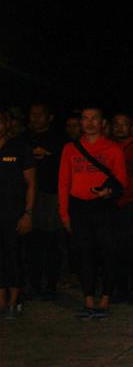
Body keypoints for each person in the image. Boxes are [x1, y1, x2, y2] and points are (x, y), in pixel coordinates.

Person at [58, 107, 127, 319]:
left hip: (103, 208)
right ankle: (88, 300)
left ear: (102, 122)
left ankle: (104, 299)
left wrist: (108, 192)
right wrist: (65, 214)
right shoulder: (70, 148)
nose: (89, 123)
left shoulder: (113, 149)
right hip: (79, 207)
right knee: (84, 255)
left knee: (107, 254)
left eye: (94, 118)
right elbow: (63, 183)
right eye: (85, 119)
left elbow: (122, 182)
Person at [26, 103, 66, 300]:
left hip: (51, 196)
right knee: (32, 242)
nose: (35, 118)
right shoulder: (23, 139)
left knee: (50, 242)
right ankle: (33, 284)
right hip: (28, 196)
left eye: (39, 114)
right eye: (32, 114)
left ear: (49, 117)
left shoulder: (59, 140)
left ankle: (50, 284)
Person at [0, 110, 36, 319]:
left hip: (13, 212)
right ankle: (2, 300)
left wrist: (28, 214)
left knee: (14, 255)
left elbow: (31, 184)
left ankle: (15, 300)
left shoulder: (19, 148)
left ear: (6, 124)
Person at [111, 112, 133, 304]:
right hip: (112, 205)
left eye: (124, 124)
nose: (120, 128)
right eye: (117, 124)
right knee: (116, 250)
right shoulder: (108, 147)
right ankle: (121, 289)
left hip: (132, 204)